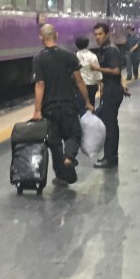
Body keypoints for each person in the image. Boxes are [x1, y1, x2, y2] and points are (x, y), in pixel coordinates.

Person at [32, 24, 95, 186]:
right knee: (74, 134)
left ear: (41, 37)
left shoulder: (38, 58)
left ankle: (61, 175)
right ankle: (69, 157)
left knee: (54, 142)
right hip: (68, 104)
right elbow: (79, 80)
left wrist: (37, 110)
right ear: (56, 35)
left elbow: (40, 84)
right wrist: (87, 101)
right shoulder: (68, 55)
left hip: (49, 107)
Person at [92, 22, 127, 168]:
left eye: (100, 34)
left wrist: (97, 69)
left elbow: (116, 70)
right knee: (108, 122)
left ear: (107, 34)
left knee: (110, 125)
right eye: (96, 34)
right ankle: (110, 156)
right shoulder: (105, 49)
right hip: (111, 89)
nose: (98, 37)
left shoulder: (111, 50)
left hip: (112, 91)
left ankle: (111, 157)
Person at [75, 35, 102, 111]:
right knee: (91, 105)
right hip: (91, 85)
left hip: (79, 86)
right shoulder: (92, 56)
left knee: (80, 106)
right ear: (87, 44)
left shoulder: (74, 56)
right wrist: (100, 84)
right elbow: (97, 72)